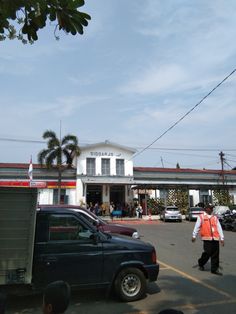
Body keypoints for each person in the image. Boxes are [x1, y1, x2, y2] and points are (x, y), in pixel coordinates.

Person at [191, 203, 224, 275]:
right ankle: (201, 262)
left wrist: (222, 238)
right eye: (210, 208)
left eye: (212, 208)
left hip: (215, 238)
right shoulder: (201, 217)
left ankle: (214, 269)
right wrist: (194, 236)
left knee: (215, 254)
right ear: (206, 209)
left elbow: (219, 228)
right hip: (206, 238)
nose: (212, 209)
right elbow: (197, 226)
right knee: (207, 253)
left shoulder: (214, 217)